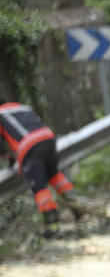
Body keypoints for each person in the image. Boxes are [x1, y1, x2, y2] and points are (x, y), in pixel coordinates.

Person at [1, 102, 76, 238]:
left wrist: (9, 158)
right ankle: (77, 205)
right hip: (48, 138)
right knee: (53, 175)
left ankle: (52, 226)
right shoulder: (21, 107)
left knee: (39, 187)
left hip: (30, 146)